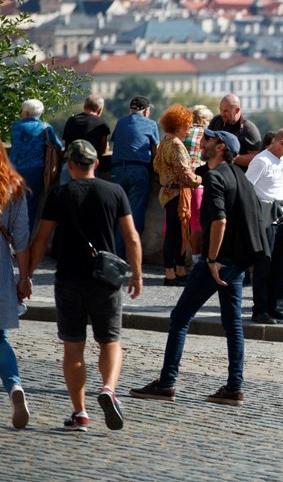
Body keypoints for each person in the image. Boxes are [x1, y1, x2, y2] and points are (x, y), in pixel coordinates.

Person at [130, 129, 269, 406]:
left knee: (180, 317)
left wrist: (212, 259)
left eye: (207, 140)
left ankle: (167, 382)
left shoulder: (216, 177)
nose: (202, 144)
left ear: (220, 147)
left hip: (219, 262)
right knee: (233, 325)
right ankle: (234, 387)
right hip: (238, 262)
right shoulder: (241, 178)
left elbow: (220, 221)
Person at [28, 139, 143, 432]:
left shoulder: (59, 193)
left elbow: (41, 238)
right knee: (111, 341)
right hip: (105, 280)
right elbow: (131, 237)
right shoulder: (114, 191)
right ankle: (108, 389)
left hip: (68, 278)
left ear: (69, 165)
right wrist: (137, 274)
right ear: (96, 163)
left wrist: (26, 274)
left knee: (73, 347)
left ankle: (80, 413)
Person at [246, 128, 283, 324]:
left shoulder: (281, 159)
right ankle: (259, 309)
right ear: (281, 142)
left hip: (280, 217)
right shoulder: (261, 160)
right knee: (263, 264)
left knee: (278, 264)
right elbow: (247, 189)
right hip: (265, 219)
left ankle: (272, 306)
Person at [152, 105, 203, 286]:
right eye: (187, 126)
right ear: (179, 125)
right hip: (178, 194)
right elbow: (186, 174)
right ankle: (171, 273)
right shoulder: (176, 145)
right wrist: (200, 178)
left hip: (167, 192)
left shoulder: (164, 141)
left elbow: (156, 166)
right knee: (178, 234)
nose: (189, 129)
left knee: (176, 233)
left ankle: (177, 270)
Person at [0, 143, 31, 429]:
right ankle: (14, 386)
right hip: (0, 265)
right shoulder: (13, 186)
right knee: (0, 337)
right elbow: (21, 239)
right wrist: (24, 277)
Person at [110, 95, 159, 247]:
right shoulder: (151, 124)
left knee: (118, 212)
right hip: (138, 170)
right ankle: (131, 253)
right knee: (135, 214)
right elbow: (155, 150)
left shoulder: (120, 122)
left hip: (117, 170)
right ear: (146, 111)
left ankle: (116, 253)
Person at [9, 98, 62, 228]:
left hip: (15, 168)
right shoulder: (45, 127)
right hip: (35, 169)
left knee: (13, 203)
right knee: (30, 205)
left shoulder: (15, 126)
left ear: (26, 113)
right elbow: (58, 145)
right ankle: (26, 236)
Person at [59, 94, 110, 185]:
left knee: (64, 196)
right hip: (89, 167)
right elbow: (103, 148)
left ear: (84, 106)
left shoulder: (71, 121)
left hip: (69, 165)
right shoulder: (101, 124)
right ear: (100, 110)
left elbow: (66, 143)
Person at [185, 105, 213, 267]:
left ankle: (177, 263)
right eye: (208, 120)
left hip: (181, 183)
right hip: (199, 182)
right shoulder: (206, 135)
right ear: (203, 120)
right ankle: (197, 261)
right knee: (197, 223)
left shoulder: (182, 133)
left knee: (183, 224)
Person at [208, 94, 262, 169]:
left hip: (238, 174)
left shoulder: (249, 129)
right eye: (221, 110)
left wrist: (229, 157)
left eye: (226, 111)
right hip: (215, 169)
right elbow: (207, 140)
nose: (222, 114)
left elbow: (256, 157)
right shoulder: (216, 121)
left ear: (237, 110)